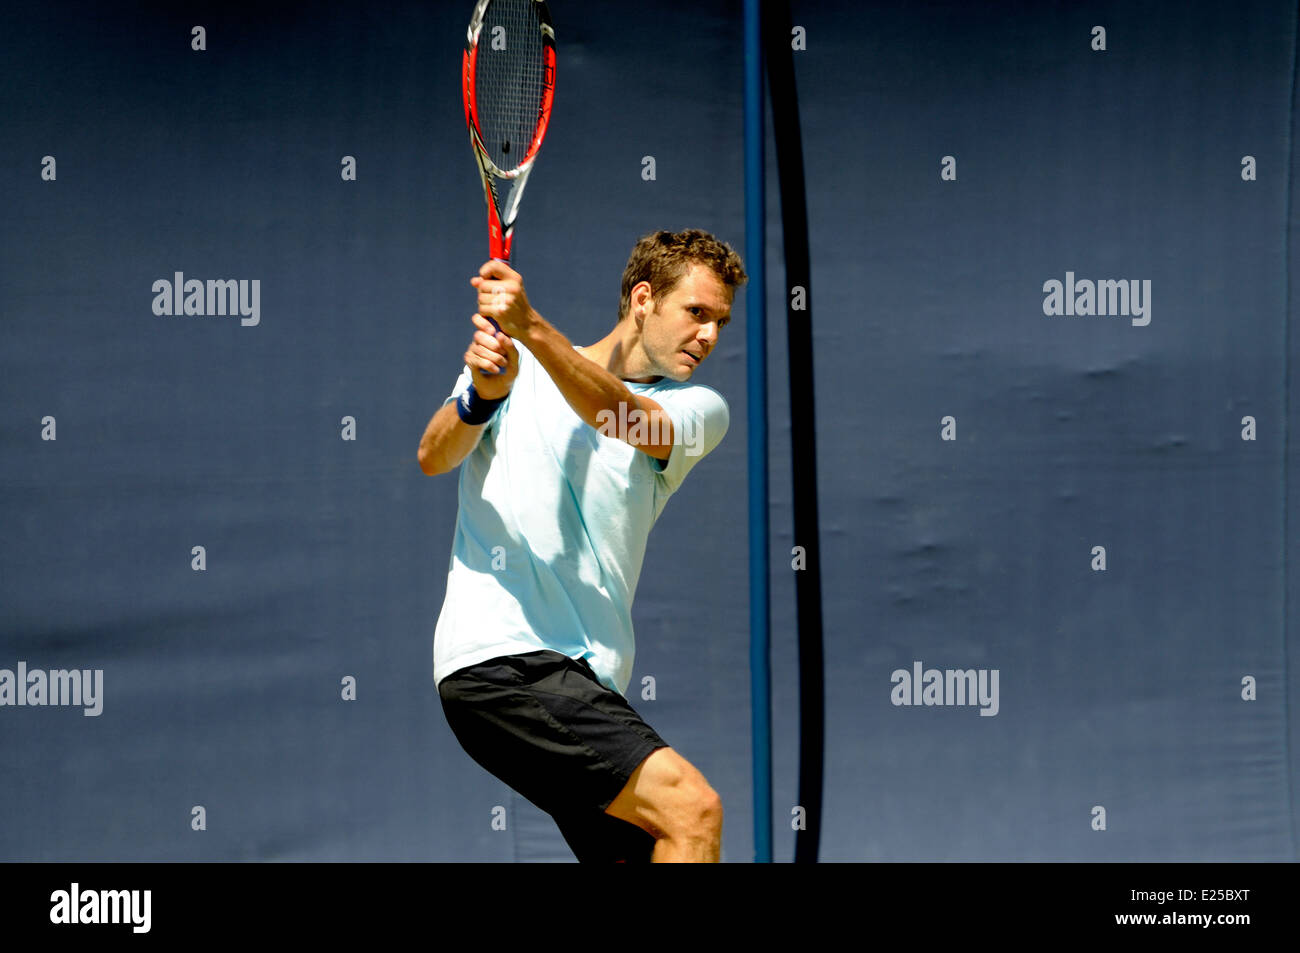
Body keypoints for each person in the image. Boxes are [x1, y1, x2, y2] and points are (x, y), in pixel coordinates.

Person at [418, 229, 747, 862]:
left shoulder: (699, 409)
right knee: (692, 809)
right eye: (697, 313)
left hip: (581, 680)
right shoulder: (517, 367)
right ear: (643, 299)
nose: (709, 335)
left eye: (720, 322)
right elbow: (434, 455)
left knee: (656, 844)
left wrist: (531, 328)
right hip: (506, 658)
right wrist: (482, 398)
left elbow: (617, 418)